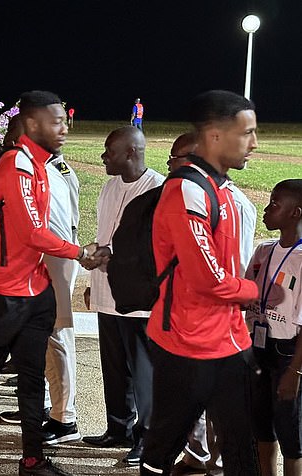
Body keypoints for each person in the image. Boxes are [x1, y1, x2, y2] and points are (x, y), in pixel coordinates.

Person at [0, 90, 103, 476]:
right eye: (55, 121)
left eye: (65, 119)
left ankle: (33, 460)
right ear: (31, 125)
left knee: (31, 376)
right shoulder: (16, 166)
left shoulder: (45, 165)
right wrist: (79, 253)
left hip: (35, 288)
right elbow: (32, 230)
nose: (64, 127)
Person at [140, 90, 260, 476]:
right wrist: (254, 290)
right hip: (186, 347)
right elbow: (208, 278)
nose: (254, 144)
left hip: (230, 343)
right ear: (215, 135)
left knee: (243, 448)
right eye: (247, 133)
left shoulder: (225, 191)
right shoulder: (186, 190)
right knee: (163, 449)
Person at [168, 132, 257, 476]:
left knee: (221, 403)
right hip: (187, 313)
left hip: (218, 319)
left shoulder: (232, 203)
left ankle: (219, 462)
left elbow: (235, 265)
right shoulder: (188, 198)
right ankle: (197, 456)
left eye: (175, 161)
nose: (171, 168)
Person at [0, 114, 83, 446]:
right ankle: (42, 405)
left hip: (54, 260)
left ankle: (65, 420)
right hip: (53, 258)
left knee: (58, 339)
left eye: (11, 133)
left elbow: (51, 228)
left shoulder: (42, 170)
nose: (7, 140)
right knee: (40, 340)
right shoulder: (54, 167)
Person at [81, 126, 164, 467]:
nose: (103, 156)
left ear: (131, 153)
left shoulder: (156, 189)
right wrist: (90, 284)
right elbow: (103, 234)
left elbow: (153, 248)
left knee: (143, 371)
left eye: (109, 150)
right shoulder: (109, 186)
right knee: (113, 367)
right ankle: (118, 427)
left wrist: (112, 255)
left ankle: (147, 437)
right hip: (105, 291)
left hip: (137, 298)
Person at [246, 179, 302, 476]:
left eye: (275, 204)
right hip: (258, 348)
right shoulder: (263, 250)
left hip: (289, 355)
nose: (266, 210)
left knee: (291, 433)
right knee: (262, 428)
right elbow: (245, 294)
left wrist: (294, 373)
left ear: (296, 213)